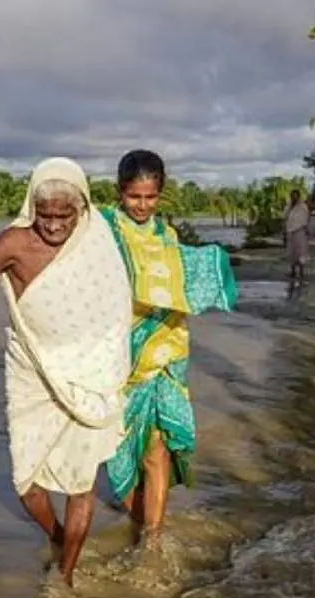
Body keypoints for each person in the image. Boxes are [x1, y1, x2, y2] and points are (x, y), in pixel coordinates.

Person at [0, 158, 133, 586]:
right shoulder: (13, 242)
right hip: (32, 370)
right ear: (32, 207)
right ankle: (60, 537)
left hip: (89, 372)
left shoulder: (96, 239)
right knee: (25, 481)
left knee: (81, 483)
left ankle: (65, 576)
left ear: (80, 209)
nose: (53, 225)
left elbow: (115, 308)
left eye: (63, 215)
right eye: (44, 215)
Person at [99, 150, 238, 550]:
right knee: (120, 449)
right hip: (119, 358)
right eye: (134, 196)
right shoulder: (104, 229)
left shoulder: (167, 235)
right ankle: (141, 520)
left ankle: (152, 540)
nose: (142, 206)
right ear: (119, 192)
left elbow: (177, 281)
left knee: (157, 449)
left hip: (166, 351)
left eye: (150, 197)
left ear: (161, 194)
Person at [283, 188, 311, 283]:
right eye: (292, 196)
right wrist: (284, 232)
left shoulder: (303, 207)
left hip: (300, 231)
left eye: (296, 196)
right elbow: (285, 219)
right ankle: (293, 271)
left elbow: (306, 219)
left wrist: (307, 230)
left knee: (301, 252)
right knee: (291, 252)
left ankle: (301, 272)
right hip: (290, 231)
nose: (294, 198)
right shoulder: (288, 207)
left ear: (298, 197)